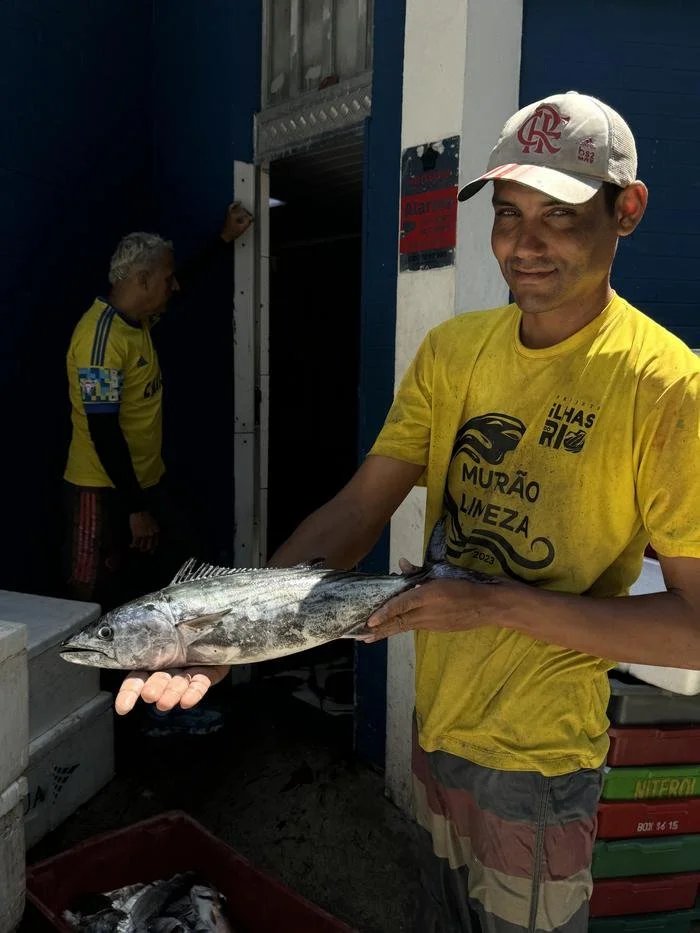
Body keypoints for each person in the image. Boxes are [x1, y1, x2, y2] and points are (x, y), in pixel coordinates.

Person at [113, 91, 700, 931]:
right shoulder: (455, 352)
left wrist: (487, 602)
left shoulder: (668, 386)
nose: (523, 244)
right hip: (438, 730)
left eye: (559, 215)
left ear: (626, 210)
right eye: (507, 214)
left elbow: (693, 628)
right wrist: (224, 629)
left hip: (538, 762)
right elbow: (356, 510)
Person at [64, 202, 252, 736]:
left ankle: (166, 703)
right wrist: (136, 510)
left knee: (178, 581)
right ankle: (95, 728)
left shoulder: (139, 316)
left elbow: (183, 280)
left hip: (145, 485)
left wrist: (221, 240)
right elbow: (102, 433)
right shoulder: (99, 340)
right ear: (142, 280)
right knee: (92, 605)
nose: (172, 288)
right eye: (163, 279)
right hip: (99, 494)